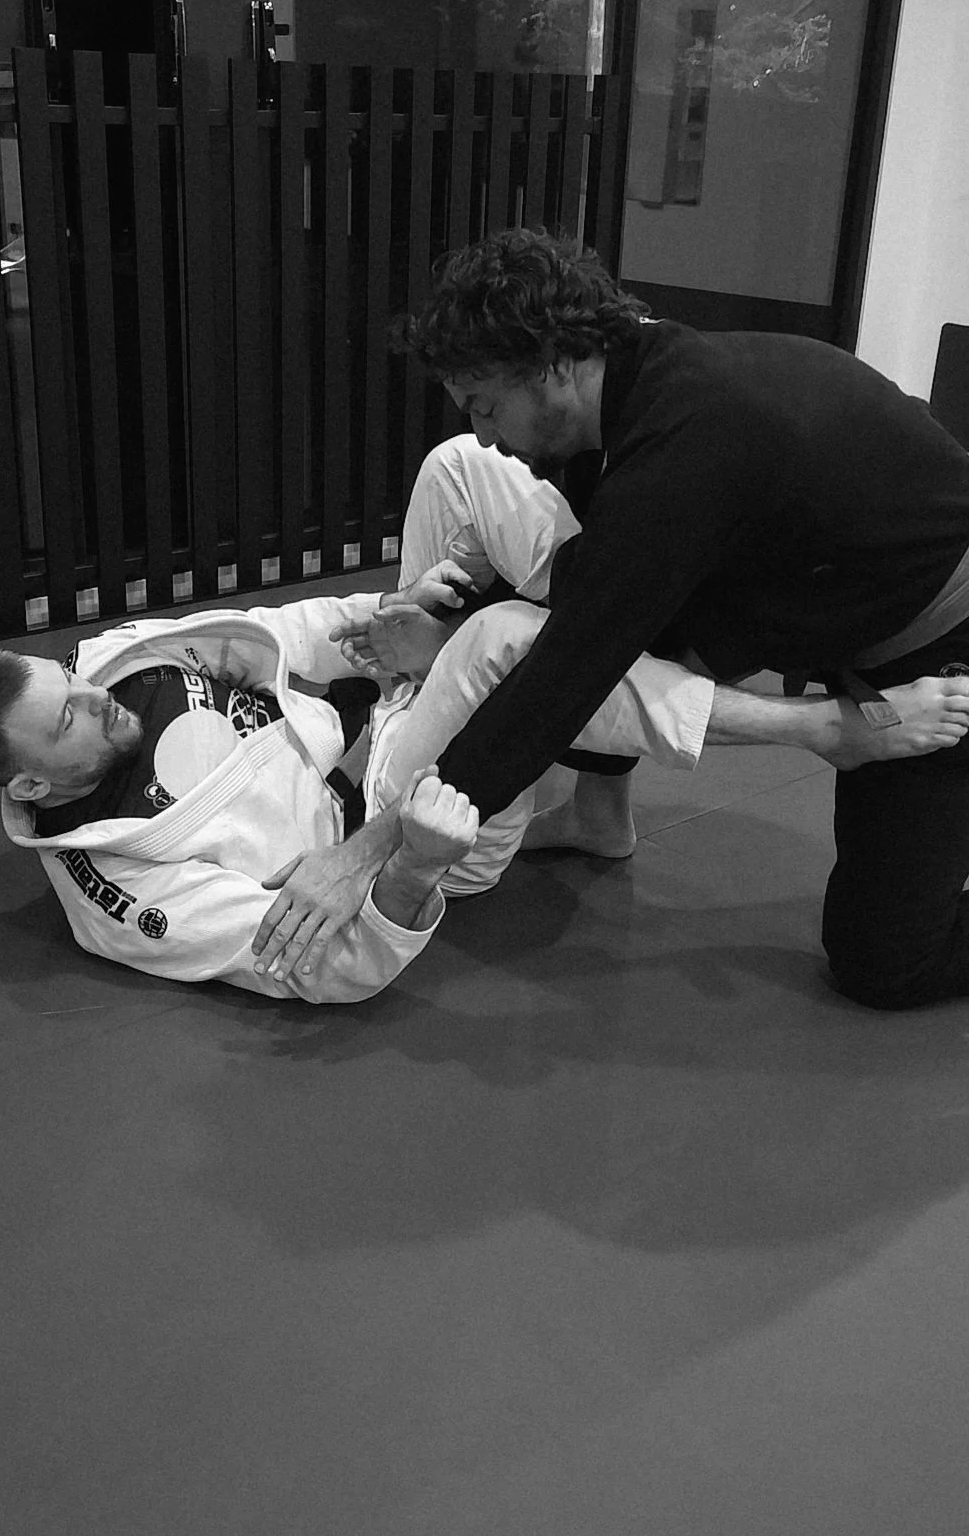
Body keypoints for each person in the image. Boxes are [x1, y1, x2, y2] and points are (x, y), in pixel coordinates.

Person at [253, 229, 969, 1011]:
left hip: (940, 641)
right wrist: (454, 635)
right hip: (825, 589)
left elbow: (559, 684)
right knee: (594, 613)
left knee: (881, 962)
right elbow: (597, 605)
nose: (484, 435)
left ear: (556, 365)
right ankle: (603, 816)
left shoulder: (683, 448)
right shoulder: (626, 382)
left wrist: (362, 855)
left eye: (487, 406)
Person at [0, 543, 950, 1004]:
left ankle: (598, 804)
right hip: (412, 824)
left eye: (65, 677)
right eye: (65, 716)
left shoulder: (114, 663)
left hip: (391, 715)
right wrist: (413, 874)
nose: (89, 690)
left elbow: (279, 630)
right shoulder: (123, 890)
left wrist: (390, 614)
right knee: (509, 634)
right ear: (28, 785)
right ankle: (817, 727)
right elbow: (316, 969)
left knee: (464, 466)